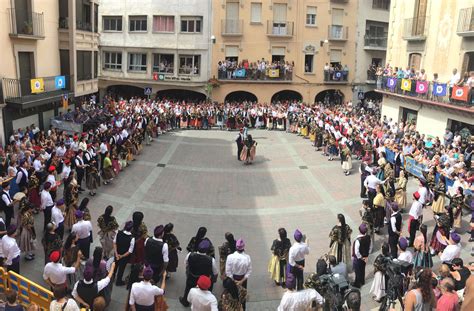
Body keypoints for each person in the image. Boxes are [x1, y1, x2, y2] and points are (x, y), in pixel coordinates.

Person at [179, 240, 218, 307]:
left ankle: (185, 301)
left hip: (192, 276)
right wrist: (214, 280)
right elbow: (215, 272)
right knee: (208, 288)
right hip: (204, 279)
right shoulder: (211, 260)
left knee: (188, 288)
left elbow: (186, 264)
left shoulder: (190, 255)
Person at [225, 239, 251, 310]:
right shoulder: (247, 257)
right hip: (243, 280)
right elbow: (249, 271)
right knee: (242, 297)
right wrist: (241, 281)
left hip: (232, 280)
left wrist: (234, 280)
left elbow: (228, 272)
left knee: (233, 297)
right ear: (243, 248)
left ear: (236, 247)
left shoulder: (230, 257)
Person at [114, 221, 135, 287]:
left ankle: (112, 277)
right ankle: (118, 281)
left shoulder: (118, 232)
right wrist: (122, 256)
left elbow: (114, 243)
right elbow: (130, 251)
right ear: (131, 229)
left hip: (117, 253)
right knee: (121, 268)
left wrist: (116, 254)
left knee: (115, 266)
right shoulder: (132, 238)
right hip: (124, 257)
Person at [352, 223, 372, 288]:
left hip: (358, 259)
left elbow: (356, 251)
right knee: (362, 269)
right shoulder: (368, 237)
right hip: (365, 257)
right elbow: (370, 247)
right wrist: (366, 255)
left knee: (357, 271)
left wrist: (361, 257)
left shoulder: (358, 240)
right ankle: (362, 281)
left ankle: (357, 284)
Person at [18, 192, 36, 261]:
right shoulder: (26, 215)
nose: (33, 210)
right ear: (29, 209)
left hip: (28, 229)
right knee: (27, 243)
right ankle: (27, 256)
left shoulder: (28, 213)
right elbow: (27, 225)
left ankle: (29, 253)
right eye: (32, 209)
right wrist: (32, 232)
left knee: (29, 243)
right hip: (27, 230)